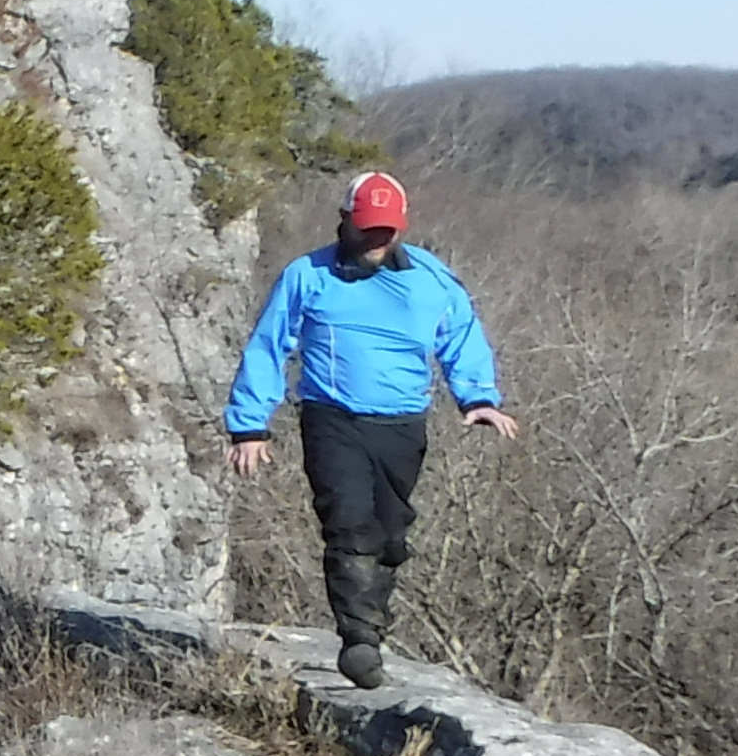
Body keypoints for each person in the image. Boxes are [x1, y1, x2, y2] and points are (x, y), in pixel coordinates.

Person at [223, 169, 520, 687]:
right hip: (332, 418)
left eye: (388, 229)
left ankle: (372, 630)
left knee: (389, 534)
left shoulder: (431, 279)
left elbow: (461, 336)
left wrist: (477, 397)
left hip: (403, 423)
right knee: (349, 524)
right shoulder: (307, 276)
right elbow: (270, 346)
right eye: (369, 227)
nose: (379, 238)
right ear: (345, 221)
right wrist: (250, 426)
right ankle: (358, 640)